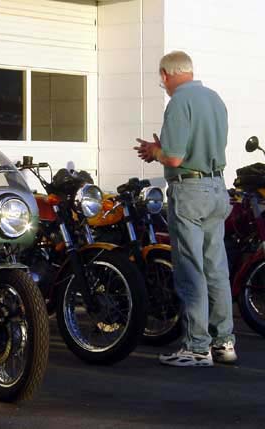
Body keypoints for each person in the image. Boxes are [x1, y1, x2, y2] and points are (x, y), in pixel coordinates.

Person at [134, 51, 236, 367]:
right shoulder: (215, 99)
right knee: (216, 268)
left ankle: (196, 348)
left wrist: (155, 151)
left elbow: (175, 157)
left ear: (165, 74)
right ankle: (224, 342)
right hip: (217, 187)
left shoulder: (179, 102)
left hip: (190, 190)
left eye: (161, 78)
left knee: (191, 269)